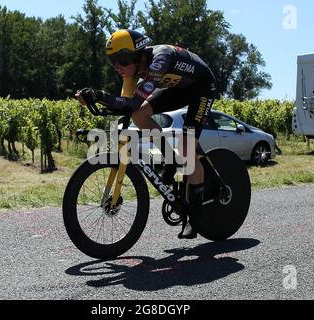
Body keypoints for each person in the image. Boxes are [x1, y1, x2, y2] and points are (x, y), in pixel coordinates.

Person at [76, 29, 217, 239]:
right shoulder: (131, 73)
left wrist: (100, 95)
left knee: (187, 148)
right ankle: (169, 161)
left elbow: (130, 101)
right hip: (175, 87)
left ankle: (195, 216)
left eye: (121, 61)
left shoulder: (160, 59)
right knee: (139, 115)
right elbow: (127, 107)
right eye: (113, 62)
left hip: (201, 88)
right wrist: (95, 98)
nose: (118, 67)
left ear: (137, 55)